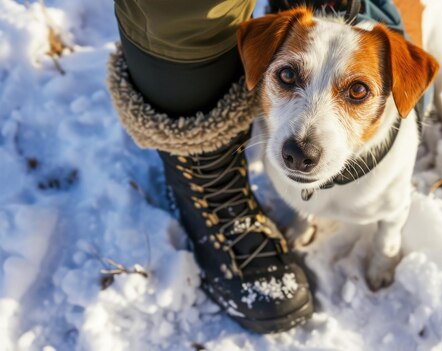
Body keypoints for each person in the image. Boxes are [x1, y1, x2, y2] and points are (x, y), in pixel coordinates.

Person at [107, 0, 407, 334]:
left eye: (357, 91)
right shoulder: (280, 45)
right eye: (289, 75)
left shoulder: (385, 177)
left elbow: (396, 211)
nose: (302, 145)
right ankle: (203, 162)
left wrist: (386, 252)